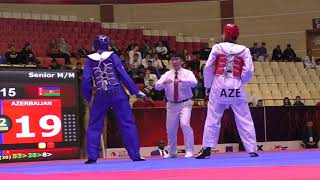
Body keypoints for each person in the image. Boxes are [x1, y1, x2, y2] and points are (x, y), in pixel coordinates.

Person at [195, 24, 258, 159]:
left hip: (219, 84)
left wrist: (207, 85)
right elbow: (248, 71)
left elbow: (208, 67)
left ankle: (207, 148)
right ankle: (252, 148)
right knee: (244, 117)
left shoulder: (217, 47)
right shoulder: (244, 50)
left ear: (226, 34)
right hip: (236, 84)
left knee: (213, 117)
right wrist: (241, 80)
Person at [81, 35, 146, 164]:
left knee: (94, 125)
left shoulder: (89, 60)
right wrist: (136, 91)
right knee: (127, 123)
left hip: (100, 94)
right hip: (117, 93)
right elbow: (123, 75)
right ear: (108, 46)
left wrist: (87, 96)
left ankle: (92, 157)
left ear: (94, 46)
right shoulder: (113, 56)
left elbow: (86, 80)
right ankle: (135, 155)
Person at [155, 53, 198, 158]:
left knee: (185, 124)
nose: (174, 62)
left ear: (182, 61)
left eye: (177, 59)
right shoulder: (167, 74)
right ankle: (172, 151)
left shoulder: (187, 73)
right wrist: (164, 82)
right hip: (171, 104)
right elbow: (157, 86)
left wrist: (182, 80)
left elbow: (194, 83)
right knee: (170, 128)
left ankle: (190, 150)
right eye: (172, 59)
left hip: (185, 103)